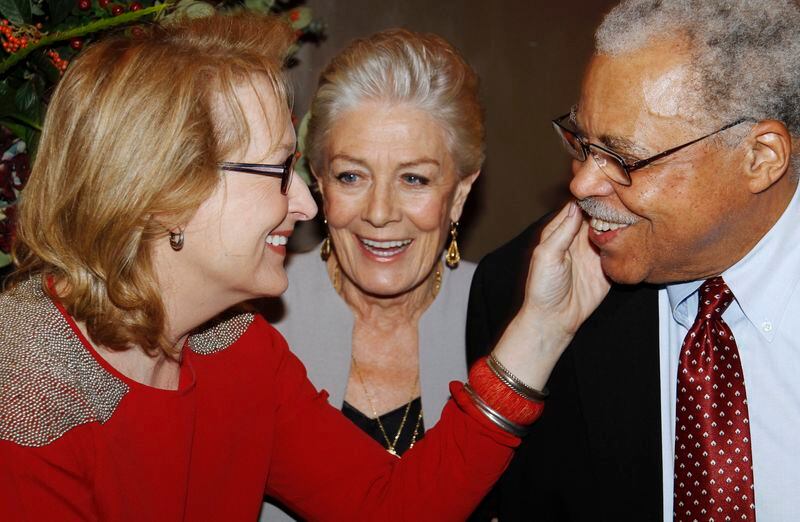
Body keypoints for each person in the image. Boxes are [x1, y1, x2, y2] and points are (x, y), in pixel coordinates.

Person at [0, 13, 609, 521]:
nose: (306, 203)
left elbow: (388, 508)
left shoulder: (235, 349)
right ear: (165, 192)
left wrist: (543, 328)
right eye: (274, 172)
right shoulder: (27, 390)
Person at [467, 1, 800, 521]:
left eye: (623, 160)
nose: (582, 183)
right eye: (583, 143)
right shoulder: (518, 289)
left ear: (760, 157)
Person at [258, 28, 482, 521]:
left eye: (414, 178)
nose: (379, 213)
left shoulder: (506, 315)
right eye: (351, 176)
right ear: (318, 183)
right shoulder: (252, 319)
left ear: (460, 194)